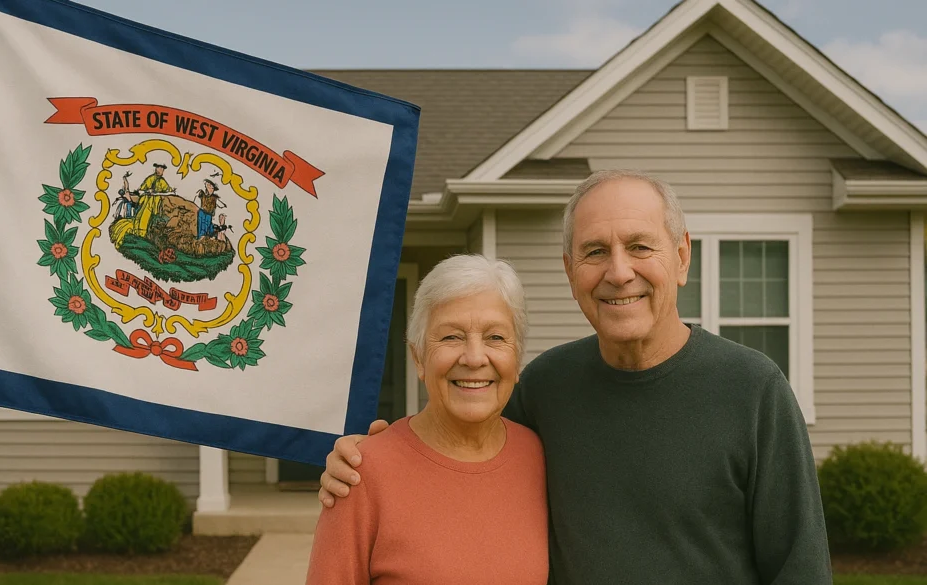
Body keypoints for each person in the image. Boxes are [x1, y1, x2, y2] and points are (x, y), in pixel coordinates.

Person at [319, 170, 832, 584]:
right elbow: (465, 450)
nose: (618, 271)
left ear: (680, 257)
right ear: (570, 271)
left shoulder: (752, 389)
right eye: (594, 251)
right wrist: (370, 459)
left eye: (639, 246)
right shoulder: (546, 388)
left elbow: (799, 570)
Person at [306, 254, 548, 584]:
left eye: (495, 337)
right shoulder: (359, 473)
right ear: (418, 357)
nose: (475, 358)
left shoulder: (538, 454)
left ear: (517, 357)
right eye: (451, 337)